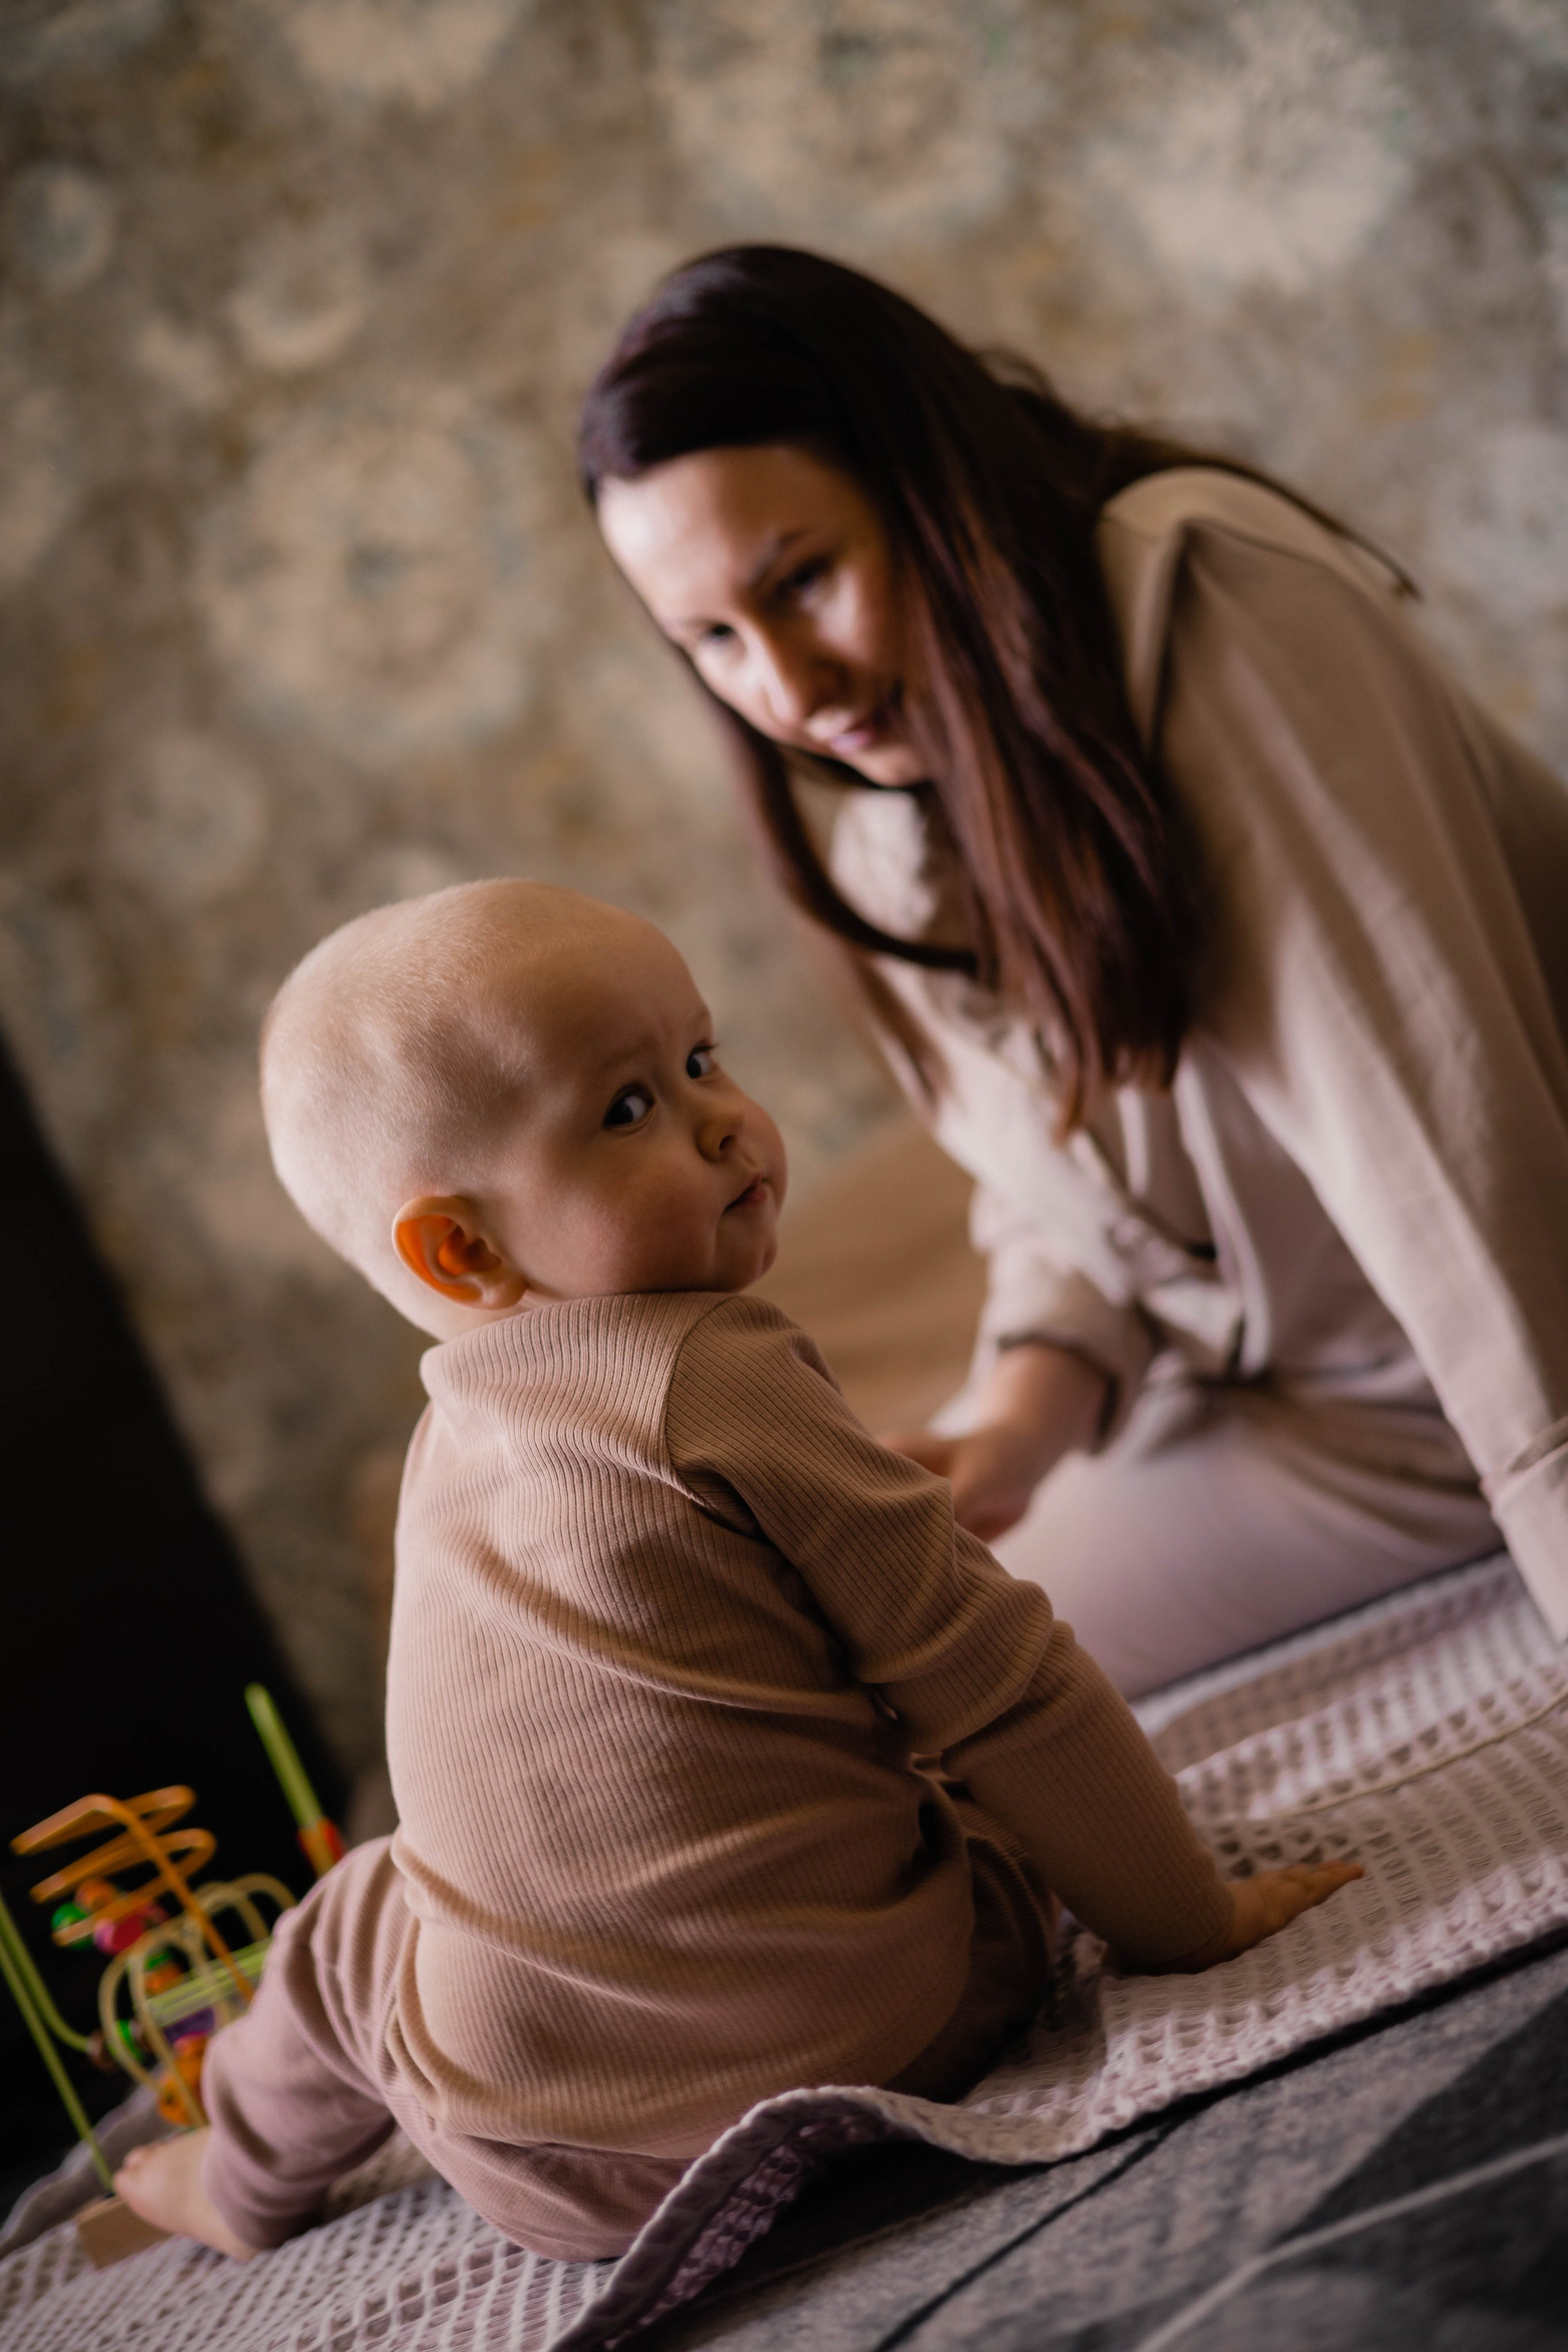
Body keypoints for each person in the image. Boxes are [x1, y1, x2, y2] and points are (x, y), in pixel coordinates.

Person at [114, 880, 1355, 2261]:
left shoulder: (444, 1452)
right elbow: (1000, 1681)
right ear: (460, 1247)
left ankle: (233, 2178)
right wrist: (1189, 1919)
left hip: (540, 2158)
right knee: (972, 1797)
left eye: (701, 1058)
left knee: (358, 1923)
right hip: (880, 2045)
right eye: (627, 1108)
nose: (720, 1116)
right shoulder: (718, 1369)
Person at [581, 244, 1568, 1697]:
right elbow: (1072, 1203)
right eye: (713, 640)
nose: (786, 691)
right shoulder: (891, 852)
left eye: (800, 580)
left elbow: (1447, 1150)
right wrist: (1011, 1425)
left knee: (925, 1688)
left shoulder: (1203, 598)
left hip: (1502, 1354)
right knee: (840, 1683)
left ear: (925, 486)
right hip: (1312, 1412)